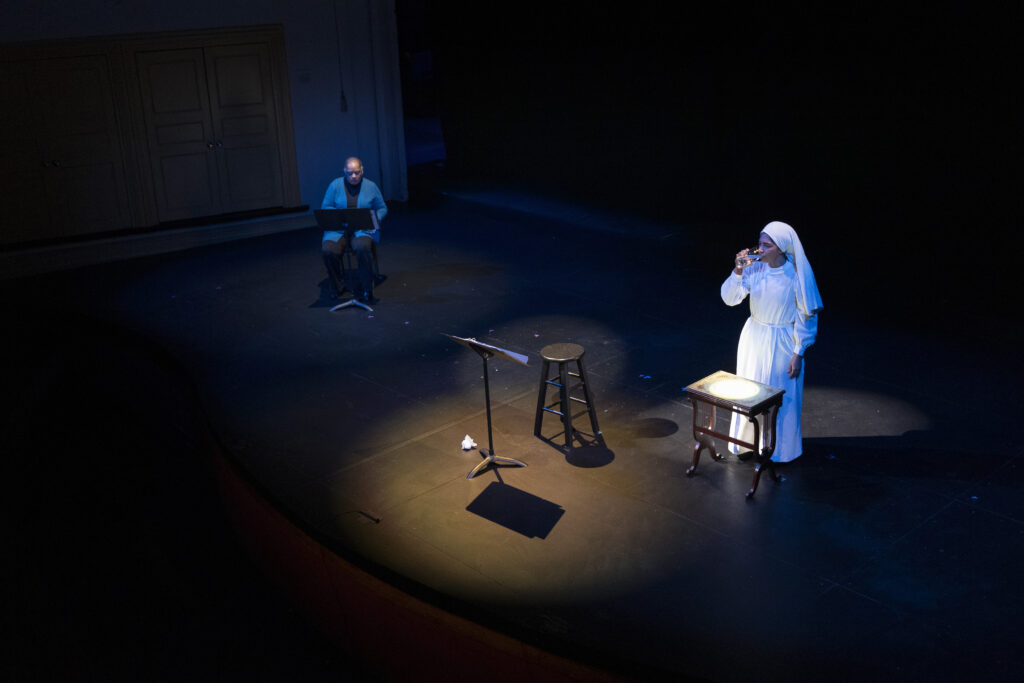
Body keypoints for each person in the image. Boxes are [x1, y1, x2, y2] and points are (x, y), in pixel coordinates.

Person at [720, 221, 823, 463]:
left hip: (783, 341)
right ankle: (746, 443)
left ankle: (779, 450)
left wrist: (798, 352)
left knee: (780, 396)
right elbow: (730, 299)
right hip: (755, 337)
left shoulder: (795, 276)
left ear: (781, 248)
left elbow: (805, 316)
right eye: (760, 244)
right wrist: (737, 271)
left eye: (767, 245)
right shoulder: (754, 268)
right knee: (749, 391)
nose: (761, 249)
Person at [321, 157, 388, 303]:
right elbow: (326, 206)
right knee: (328, 249)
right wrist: (338, 216)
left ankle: (366, 288)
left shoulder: (371, 186)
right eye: (350, 173)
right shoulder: (335, 185)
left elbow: (382, 207)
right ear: (345, 171)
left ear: (362, 170)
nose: (353, 176)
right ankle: (337, 287)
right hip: (339, 230)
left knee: (362, 246)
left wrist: (374, 219)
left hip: (362, 229)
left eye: (357, 173)